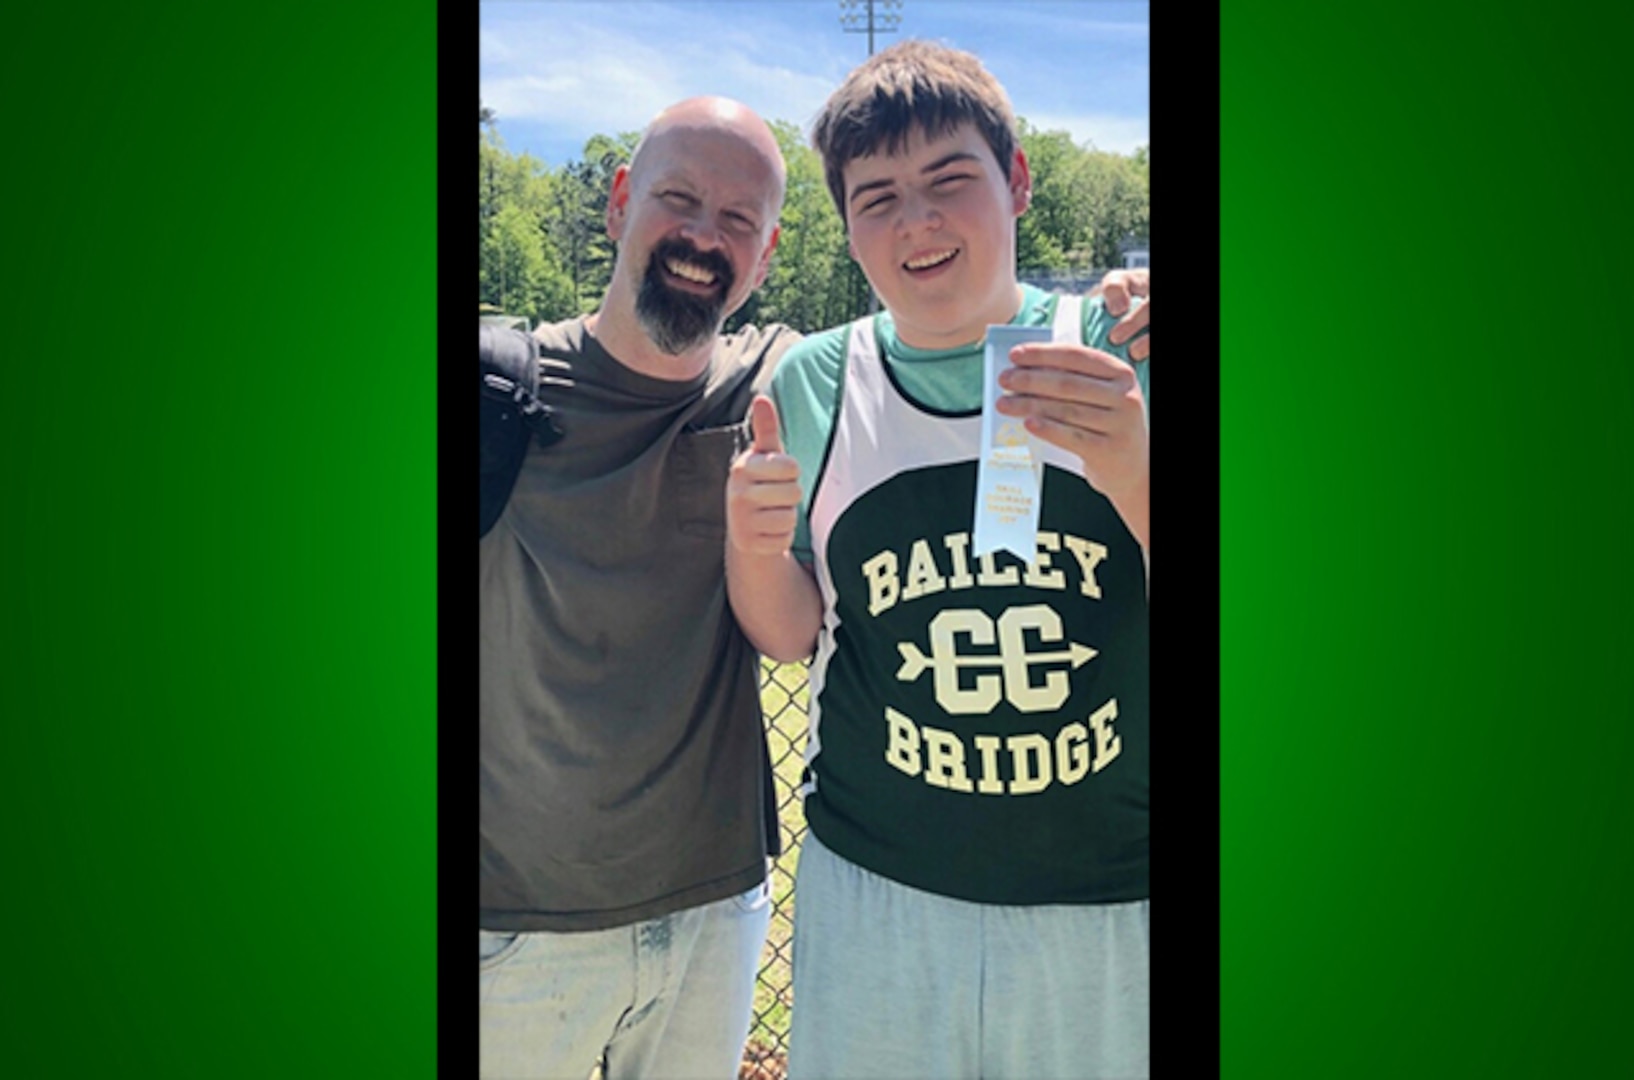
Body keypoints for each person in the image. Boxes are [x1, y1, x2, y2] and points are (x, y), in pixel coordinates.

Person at [480, 92, 1154, 1079]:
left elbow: (930, 345)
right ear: (619, 201)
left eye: (739, 221)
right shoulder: (496, 389)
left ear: (769, 252)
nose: (703, 237)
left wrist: (1127, 308)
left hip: (712, 914)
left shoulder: (783, 377)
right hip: (510, 925)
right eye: (677, 199)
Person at [724, 40, 1150, 1080]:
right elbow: (787, 632)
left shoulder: (1118, 341)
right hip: (879, 879)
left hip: (1105, 891)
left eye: (948, 180)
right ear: (845, 226)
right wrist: (748, 537)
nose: (914, 220)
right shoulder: (815, 379)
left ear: (1014, 181)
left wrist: (1133, 465)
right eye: (875, 197)